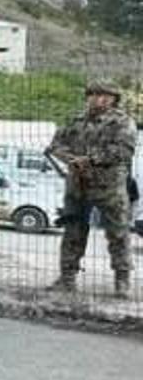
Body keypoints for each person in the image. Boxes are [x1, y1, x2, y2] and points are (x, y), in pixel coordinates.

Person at [47, 80, 138, 297]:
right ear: (87, 97)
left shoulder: (123, 122)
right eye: (95, 95)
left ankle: (122, 281)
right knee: (73, 231)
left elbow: (123, 151)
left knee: (118, 233)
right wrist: (72, 160)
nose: (99, 99)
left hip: (110, 186)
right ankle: (67, 278)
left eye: (106, 96)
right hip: (78, 185)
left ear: (114, 99)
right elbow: (56, 145)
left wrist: (90, 160)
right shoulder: (74, 119)